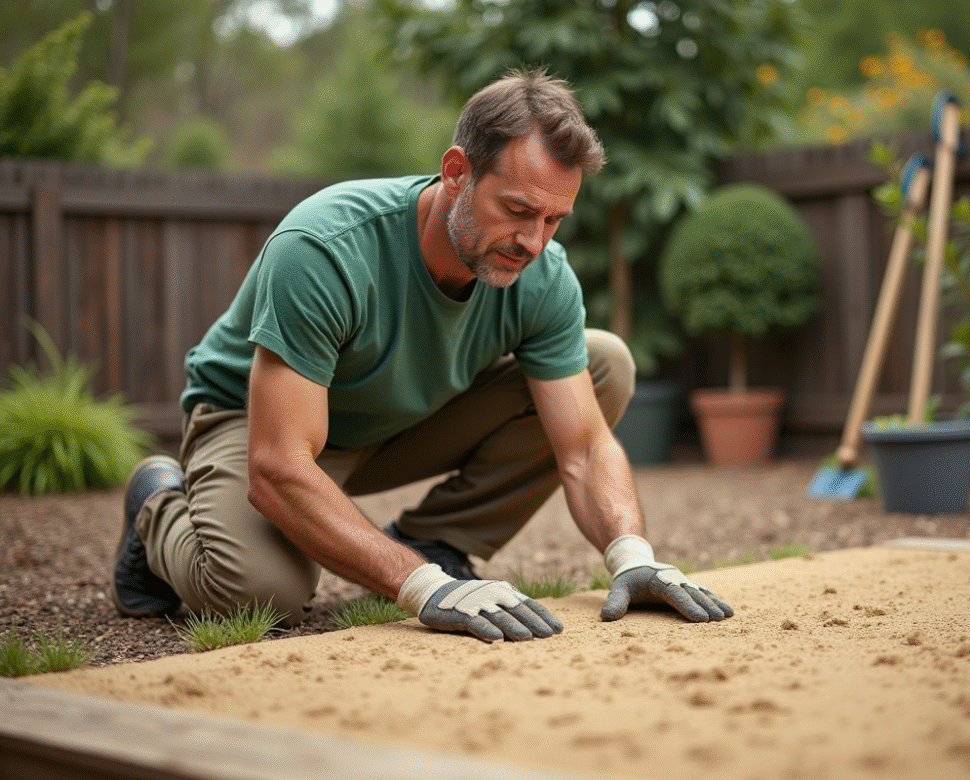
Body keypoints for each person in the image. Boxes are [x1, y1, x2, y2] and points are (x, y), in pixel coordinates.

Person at [111, 68, 732, 643]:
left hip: (395, 423)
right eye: (517, 210)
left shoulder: (543, 277)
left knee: (604, 365)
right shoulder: (325, 247)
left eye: (553, 219)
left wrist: (632, 554)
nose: (533, 242)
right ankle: (157, 500)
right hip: (258, 425)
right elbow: (277, 466)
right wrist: (420, 587)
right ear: (457, 172)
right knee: (256, 594)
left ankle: (436, 542)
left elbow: (585, 447)